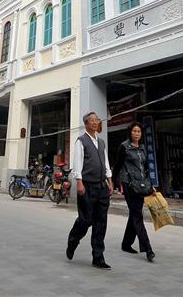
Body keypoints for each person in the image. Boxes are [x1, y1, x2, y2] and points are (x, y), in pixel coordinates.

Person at [66, 112, 113, 270]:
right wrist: (79, 182)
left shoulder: (101, 142)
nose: (94, 122)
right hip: (86, 185)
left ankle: (98, 257)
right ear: (86, 123)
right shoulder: (81, 141)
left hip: (102, 186)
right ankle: (73, 240)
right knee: (85, 220)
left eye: (96, 120)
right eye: (91, 120)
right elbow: (77, 162)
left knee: (101, 222)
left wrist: (110, 181)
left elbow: (106, 163)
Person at [113, 122, 155, 262]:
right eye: (134, 131)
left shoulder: (142, 148)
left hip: (141, 186)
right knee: (137, 215)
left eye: (139, 131)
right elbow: (117, 166)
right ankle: (148, 248)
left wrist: (151, 186)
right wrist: (113, 183)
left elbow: (146, 168)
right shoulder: (124, 147)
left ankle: (126, 244)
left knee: (134, 213)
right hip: (129, 185)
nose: (137, 133)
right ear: (130, 132)